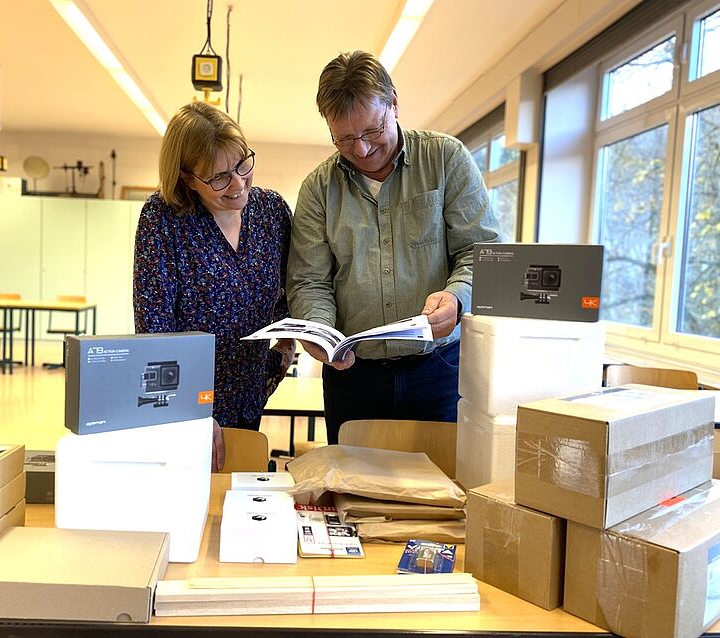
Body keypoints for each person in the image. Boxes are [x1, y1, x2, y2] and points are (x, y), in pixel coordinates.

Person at [287, 51, 501, 445]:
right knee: (353, 494)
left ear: (394, 104)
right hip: (354, 377)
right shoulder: (318, 189)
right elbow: (309, 282)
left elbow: (481, 254)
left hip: (439, 369)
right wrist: (320, 332)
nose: (363, 149)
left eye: (372, 130)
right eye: (345, 139)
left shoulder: (445, 159)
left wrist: (457, 299)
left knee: (442, 492)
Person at [133, 102, 295, 470]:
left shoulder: (271, 212)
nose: (238, 184)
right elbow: (154, 330)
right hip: (187, 411)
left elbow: (295, 293)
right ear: (188, 178)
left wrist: (284, 353)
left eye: (242, 165)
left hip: (251, 396)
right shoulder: (164, 219)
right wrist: (190, 412)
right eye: (218, 177)